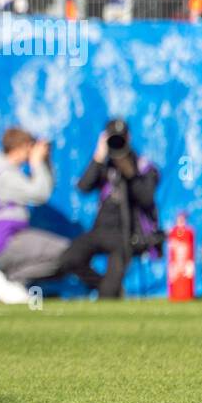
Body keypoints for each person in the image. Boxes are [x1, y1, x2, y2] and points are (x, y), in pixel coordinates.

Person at [57, 119, 162, 300]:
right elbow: (83, 187)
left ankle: (109, 288)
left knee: (107, 294)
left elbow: (147, 199)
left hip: (127, 236)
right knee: (69, 258)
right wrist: (98, 157)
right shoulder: (104, 166)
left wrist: (130, 174)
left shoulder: (142, 166)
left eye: (121, 139)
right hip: (100, 231)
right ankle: (104, 284)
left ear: (128, 138)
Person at [0, 126, 67, 304]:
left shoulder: (2, 171)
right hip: (6, 241)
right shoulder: (4, 175)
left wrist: (44, 163)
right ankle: (8, 280)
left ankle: (11, 283)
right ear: (23, 146)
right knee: (67, 253)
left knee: (66, 254)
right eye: (30, 147)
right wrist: (36, 163)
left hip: (6, 239)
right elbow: (40, 194)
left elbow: (44, 188)